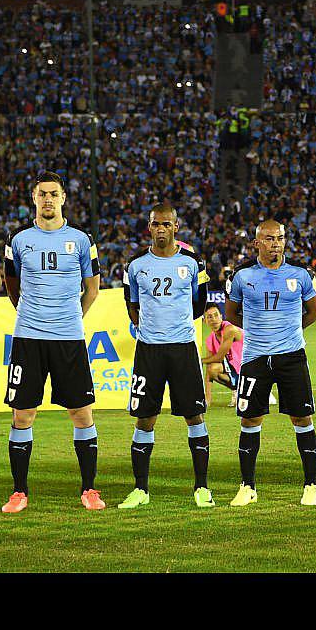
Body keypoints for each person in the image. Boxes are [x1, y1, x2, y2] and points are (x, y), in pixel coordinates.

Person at [0, 171, 104, 512]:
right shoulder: (17, 241)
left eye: (53, 194)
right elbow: (12, 289)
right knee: (23, 415)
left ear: (62, 198)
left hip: (69, 339)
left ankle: (89, 490)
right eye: (42, 194)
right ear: (34, 198)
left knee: (82, 413)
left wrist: (69, 318)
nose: (48, 199)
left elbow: (92, 290)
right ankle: (19, 492)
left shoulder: (82, 240)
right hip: (29, 337)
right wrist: (35, 315)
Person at [117, 202, 214, 509]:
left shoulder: (192, 263)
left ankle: (201, 487)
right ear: (150, 227)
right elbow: (131, 304)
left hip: (183, 348)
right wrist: (147, 326)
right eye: (156, 224)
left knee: (194, 415)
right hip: (149, 350)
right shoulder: (135, 264)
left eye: (166, 224)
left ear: (176, 227)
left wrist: (178, 324)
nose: (161, 229)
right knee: (145, 418)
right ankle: (140, 490)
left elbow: (200, 303)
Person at [224, 219, 316, 506]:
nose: (275, 243)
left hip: (292, 357)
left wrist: (289, 332)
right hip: (254, 358)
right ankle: (247, 487)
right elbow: (232, 313)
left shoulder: (301, 274)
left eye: (279, 238)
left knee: (302, 417)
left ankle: (311, 485)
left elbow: (313, 311)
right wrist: (260, 332)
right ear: (257, 243)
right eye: (268, 239)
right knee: (250, 419)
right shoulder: (241, 276)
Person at [202, 303, 246, 408]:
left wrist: (200, 360)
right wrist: (207, 400)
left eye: (216, 315)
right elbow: (209, 369)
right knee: (212, 368)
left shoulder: (229, 329)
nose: (214, 319)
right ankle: (237, 390)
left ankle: (257, 390)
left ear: (221, 317)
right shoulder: (210, 340)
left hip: (251, 369)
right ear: (205, 321)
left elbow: (219, 357)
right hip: (236, 371)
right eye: (209, 317)